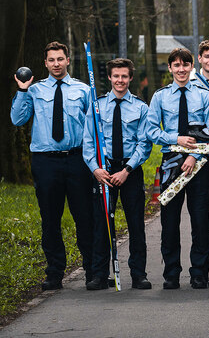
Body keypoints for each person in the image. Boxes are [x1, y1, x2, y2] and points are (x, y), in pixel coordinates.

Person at [11, 41, 94, 290]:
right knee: (50, 218)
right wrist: (23, 90)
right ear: (45, 63)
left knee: (85, 217)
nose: (56, 64)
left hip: (77, 159)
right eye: (51, 60)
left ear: (68, 60)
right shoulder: (34, 91)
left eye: (60, 59)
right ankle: (55, 272)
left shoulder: (83, 90)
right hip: (46, 162)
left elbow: (94, 129)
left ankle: (93, 270)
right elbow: (17, 119)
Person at [147, 47, 209, 289]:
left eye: (185, 65)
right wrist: (175, 139)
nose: (181, 69)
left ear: (191, 67)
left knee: (200, 220)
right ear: (170, 68)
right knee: (169, 221)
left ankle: (199, 272)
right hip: (170, 163)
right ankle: (171, 273)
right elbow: (150, 130)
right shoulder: (160, 97)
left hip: (198, 165)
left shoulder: (204, 96)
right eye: (176, 65)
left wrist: (195, 155)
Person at [82, 58, 152, 290]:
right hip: (104, 170)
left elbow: (145, 144)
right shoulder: (97, 106)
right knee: (101, 223)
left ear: (130, 78)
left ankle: (138, 274)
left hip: (130, 171)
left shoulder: (141, 108)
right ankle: (99, 275)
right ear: (110, 78)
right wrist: (95, 169)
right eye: (116, 76)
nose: (120, 80)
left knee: (136, 225)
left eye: (124, 76)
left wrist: (127, 170)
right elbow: (88, 141)